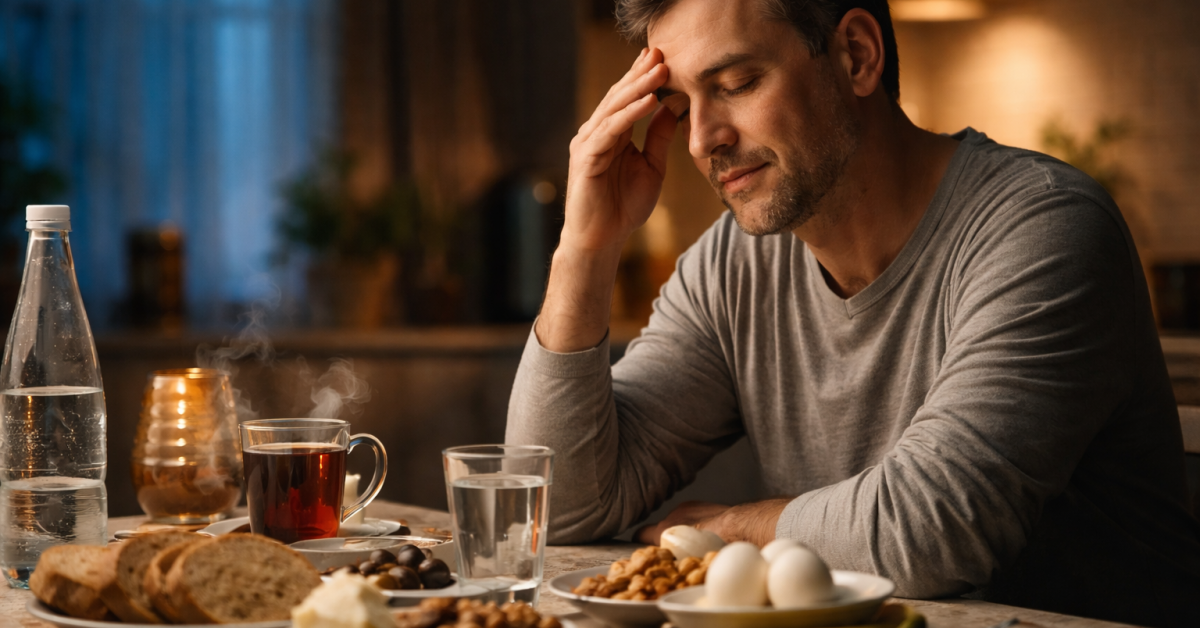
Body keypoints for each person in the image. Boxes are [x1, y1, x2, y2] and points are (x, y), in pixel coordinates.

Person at [505, 0, 1200, 624]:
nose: (701, 141)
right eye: (683, 107)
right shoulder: (734, 267)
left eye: (737, 84)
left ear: (857, 55)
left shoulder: (1043, 229)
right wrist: (585, 248)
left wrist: (737, 530)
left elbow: (932, 530)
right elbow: (559, 508)